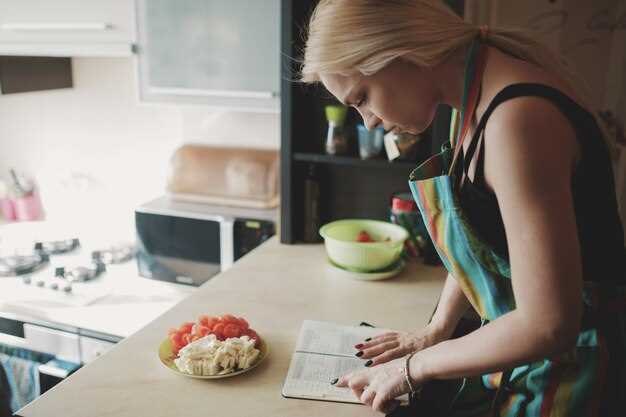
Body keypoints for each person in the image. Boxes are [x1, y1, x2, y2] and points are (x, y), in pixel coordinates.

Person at [300, 1, 626, 416]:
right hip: (530, 358)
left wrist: (412, 368)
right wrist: (434, 331)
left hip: (578, 374)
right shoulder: (473, 94)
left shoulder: (516, 120)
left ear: (400, 52)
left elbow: (548, 325)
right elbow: (480, 238)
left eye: (362, 97)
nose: (369, 123)